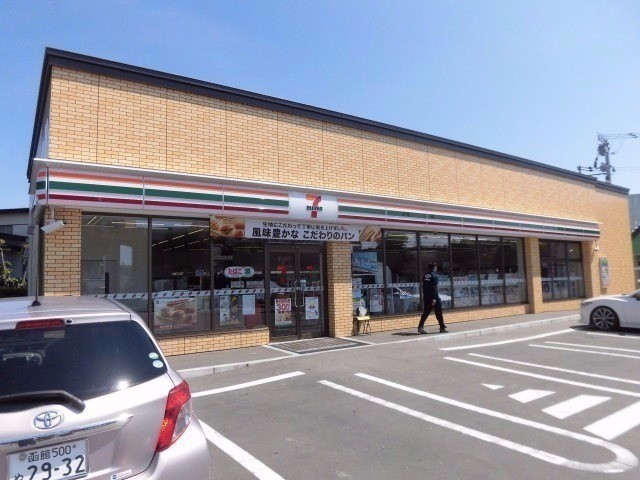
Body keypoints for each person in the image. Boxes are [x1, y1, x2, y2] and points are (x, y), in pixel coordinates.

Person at [418, 262, 448, 334]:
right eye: (436, 266)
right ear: (434, 267)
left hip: (426, 297)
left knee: (425, 312)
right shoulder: (434, 276)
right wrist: (434, 298)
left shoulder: (425, 275)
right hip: (434, 297)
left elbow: (424, 287)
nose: (436, 267)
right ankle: (442, 327)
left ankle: (420, 327)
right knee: (439, 312)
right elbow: (434, 287)